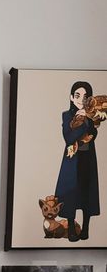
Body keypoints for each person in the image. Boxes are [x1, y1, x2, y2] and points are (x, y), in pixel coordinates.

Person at [55, 81, 100, 242]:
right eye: (77, 95)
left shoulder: (92, 115)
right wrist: (81, 120)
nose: (81, 99)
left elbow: (93, 135)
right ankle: (72, 228)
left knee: (87, 193)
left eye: (85, 96)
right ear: (71, 97)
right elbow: (69, 138)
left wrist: (88, 120)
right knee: (70, 194)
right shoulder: (67, 115)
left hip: (87, 159)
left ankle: (86, 227)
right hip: (72, 160)